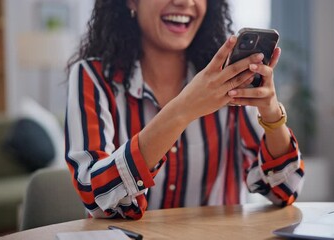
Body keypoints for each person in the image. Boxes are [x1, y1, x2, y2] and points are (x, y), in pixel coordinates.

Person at [65, 0, 304, 220]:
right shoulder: (92, 77)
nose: (184, 2)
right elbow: (97, 199)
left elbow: (285, 190)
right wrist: (183, 110)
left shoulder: (228, 77)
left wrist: (272, 113)